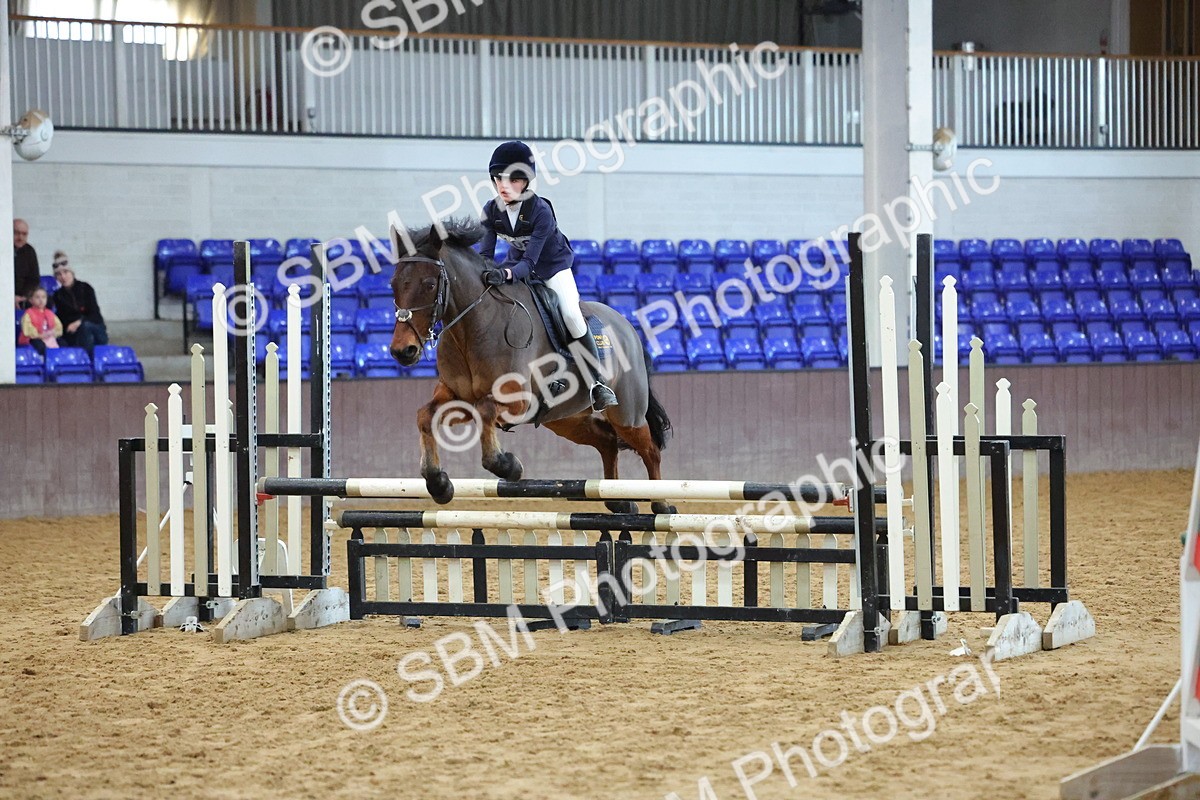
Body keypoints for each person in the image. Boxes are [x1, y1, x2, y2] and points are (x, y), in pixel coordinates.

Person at [478, 140, 618, 412]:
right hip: (517, 263)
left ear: (526, 181)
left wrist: (506, 273)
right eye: (498, 179)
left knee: (570, 316)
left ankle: (596, 383)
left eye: (513, 180)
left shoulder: (540, 211)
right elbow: (485, 255)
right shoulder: (491, 210)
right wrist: (486, 274)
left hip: (552, 267)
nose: (504, 186)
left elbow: (531, 262)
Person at [51, 252, 109, 354]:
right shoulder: (57, 296)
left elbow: (95, 315)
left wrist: (78, 323)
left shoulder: (86, 288)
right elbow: (61, 320)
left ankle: (89, 360)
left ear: (72, 272)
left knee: (85, 327)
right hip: (74, 334)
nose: (63, 277)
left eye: (65, 272)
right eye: (59, 274)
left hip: (94, 329)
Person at [18, 285, 61, 355]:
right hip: (33, 338)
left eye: (43, 297)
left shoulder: (50, 313)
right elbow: (27, 329)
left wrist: (53, 332)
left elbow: (58, 327)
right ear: (31, 300)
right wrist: (39, 335)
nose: (41, 300)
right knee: (38, 344)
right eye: (37, 297)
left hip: (48, 337)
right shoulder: (29, 314)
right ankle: (43, 359)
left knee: (62, 342)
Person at [13, 218, 40, 308]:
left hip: (23, 298)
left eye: (24, 234)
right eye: (16, 233)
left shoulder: (30, 251)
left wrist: (23, 297)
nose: (20, 237)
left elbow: (34, 279)